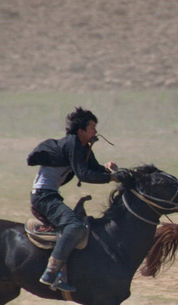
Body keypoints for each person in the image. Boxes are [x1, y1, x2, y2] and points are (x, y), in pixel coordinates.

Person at [26, 107, 118, 292]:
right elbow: (83, 174)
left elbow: (93, 168)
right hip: (43, 197)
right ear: (80, 131)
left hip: (50, 196)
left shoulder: (83, 147)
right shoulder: (72, 143)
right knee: (75, 226)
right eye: (92, 127)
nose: (95, 131)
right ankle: (51, 273)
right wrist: (111, 178)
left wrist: (107, 169)